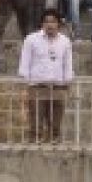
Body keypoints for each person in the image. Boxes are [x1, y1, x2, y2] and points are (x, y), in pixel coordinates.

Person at [17, 8, 73, 141]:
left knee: (55, 127)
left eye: (53, 22)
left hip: (58, 87)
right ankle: (34, 151)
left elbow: (68, 64)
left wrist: (67, 85)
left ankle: (54, 150)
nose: (50, 25)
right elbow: (25, 63)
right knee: (35, 126)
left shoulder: (65, 41)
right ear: (42, 24)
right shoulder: (31, 39)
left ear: (58, 24)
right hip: (37, 87)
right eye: (46, 22)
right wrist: (25, 88)